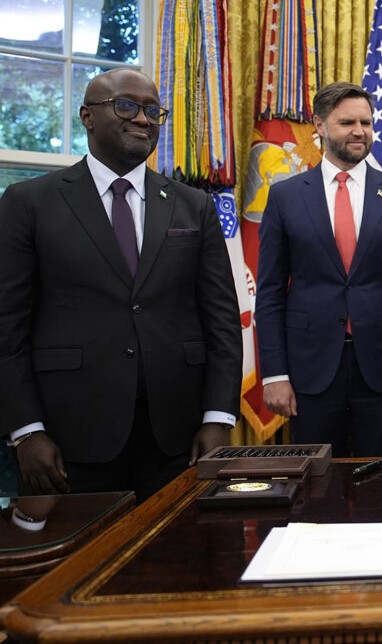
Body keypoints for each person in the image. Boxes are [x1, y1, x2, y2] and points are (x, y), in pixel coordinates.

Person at [0, 69, 242, 501]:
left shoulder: (194, 206)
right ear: (87, 117)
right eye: (126, 106)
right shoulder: (28, 202)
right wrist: (26, 430)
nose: (143, 119)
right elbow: (7, 325)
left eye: (153, 110)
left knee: (179, 545)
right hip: (68, 437)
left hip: (178, 438)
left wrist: (219, 417)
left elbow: (222, 320)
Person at [255, 82, 382, 457]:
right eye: (347, 122)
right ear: (319, 125)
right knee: (315, 479)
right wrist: (274, 374)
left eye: (366, 123)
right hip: (309, 368)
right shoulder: (285, 196)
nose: (359, 131)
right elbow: (269, 293)